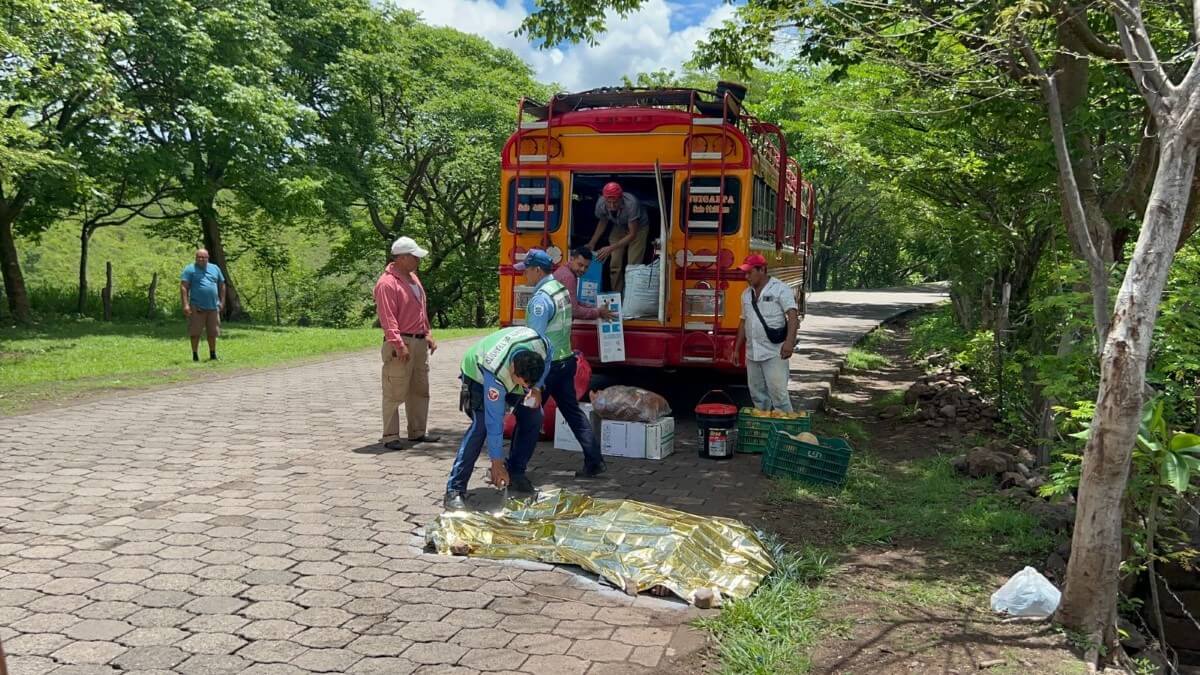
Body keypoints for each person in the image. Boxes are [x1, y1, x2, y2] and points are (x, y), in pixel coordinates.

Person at [520, 248, 607, 479]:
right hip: (565, 360)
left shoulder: (545, 294)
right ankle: (594, 460)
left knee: (528, 416)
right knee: (573, 413)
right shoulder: (561, 287)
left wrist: (535, 381)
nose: (524, 276)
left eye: (526, 271)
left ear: (537, 270)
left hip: (548, 367)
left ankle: (514, 469)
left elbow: (536, 341)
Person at [444, 326, 551, 511]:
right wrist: (496, 463)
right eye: (523, 383)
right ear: (513, 371)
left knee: (534, 416)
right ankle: (455, 489)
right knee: (481, 427)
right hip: (477, 375)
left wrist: (536, 388)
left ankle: (516, 473)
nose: (524, 387)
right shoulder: (497, 372)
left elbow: (548, 359)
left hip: (510, 374)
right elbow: (494, 422)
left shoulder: (541, 345)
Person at [374, 236, 440, 451]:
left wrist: (427, 332)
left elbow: (421, 309)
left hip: (419, 341)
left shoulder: (413, 278)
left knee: (419, 388)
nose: (418, 261)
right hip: (401, 341)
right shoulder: (387, 283)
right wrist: (397, 343)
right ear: (401, 258)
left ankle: (418, 431)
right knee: (395, 390)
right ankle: (391, 435)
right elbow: (387, 317)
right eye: (414, 257)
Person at [733, 254, 799, 412]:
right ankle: (765, 429)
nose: (746, 276)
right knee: (757, 396)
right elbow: (743, 321)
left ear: (762, 270)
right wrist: (736, 349)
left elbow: (792, 316)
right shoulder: (746, 295)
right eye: (745, 273)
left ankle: (787, 431)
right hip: (752, 353)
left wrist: (789, 342)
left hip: (774, 352)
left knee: (779, 395)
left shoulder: (780, 289)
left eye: (750, 272)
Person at [588, 181, 649, 294]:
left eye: (615, 202)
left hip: (638, 228)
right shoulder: (601, 203)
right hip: (619, 225)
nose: (611, 206)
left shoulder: (631, 203)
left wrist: (610, 248)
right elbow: (603, 221)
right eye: (608, 202)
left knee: (633, 266)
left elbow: (632, 234)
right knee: (614, 265)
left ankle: (630, 296)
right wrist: (592, 242)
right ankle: (617, 295)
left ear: (621, 198)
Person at [180, 248, 226, 362]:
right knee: (195, 332)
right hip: (197, 306)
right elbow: (184, 286)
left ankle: (213, 354)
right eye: (199, 257)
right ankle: (195, 355)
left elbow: (222, 284)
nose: (201, 259)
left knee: (213, 332)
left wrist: (222, 301)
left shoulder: (215, 268)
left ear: (208, 258)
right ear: (196, 258)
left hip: (213, 306)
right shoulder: (189, 269)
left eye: (204, 257)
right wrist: (185, 304)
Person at [552, 246, 615, 322]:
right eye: (580, 265)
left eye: (586, 267)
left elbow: (573, 302)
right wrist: (599, 312)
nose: (583, 270)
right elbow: (574, 310)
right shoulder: (569, 277)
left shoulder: (564, 270)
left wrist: (595, 307)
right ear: (572, 259)